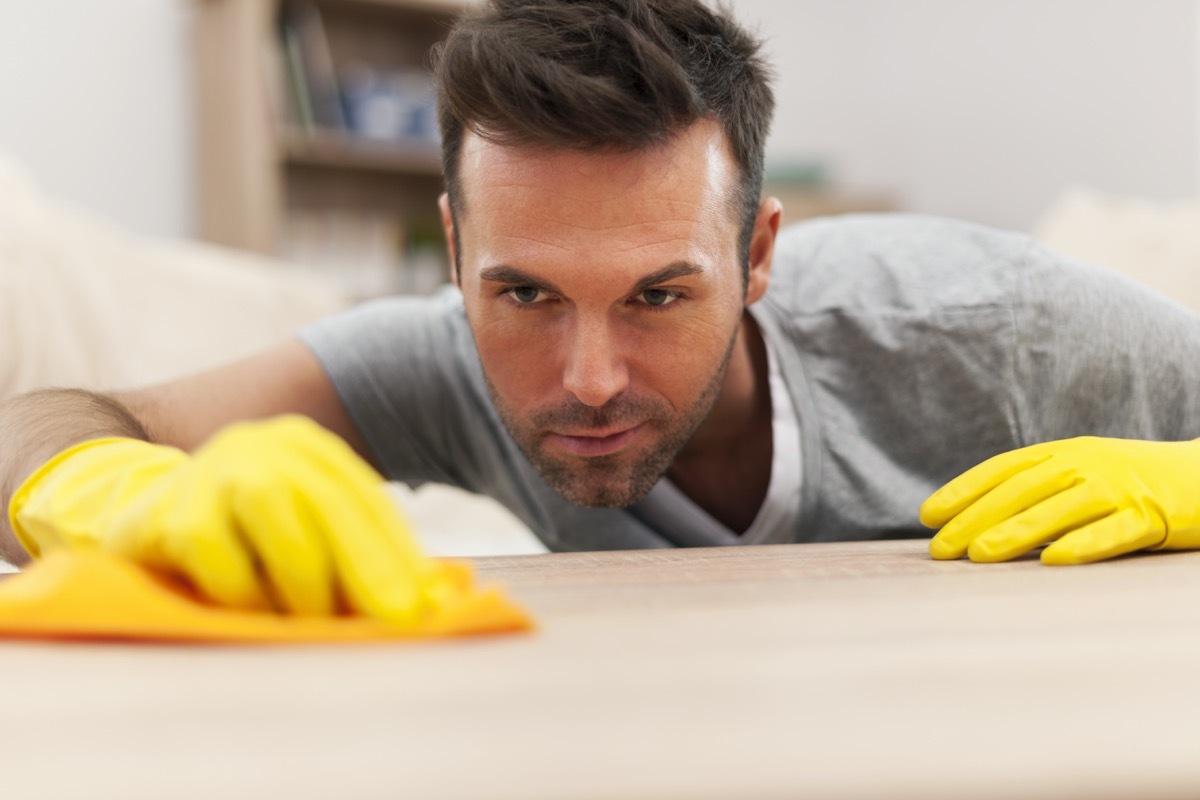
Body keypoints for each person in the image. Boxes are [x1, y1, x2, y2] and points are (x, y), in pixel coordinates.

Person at [5, 0, 1200, 622]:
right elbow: (51, 418)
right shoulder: (433, 364)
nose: (585, 378)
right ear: (457, 246)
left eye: (659, 294)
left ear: (759, 251)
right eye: (523, 291)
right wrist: (116, 491)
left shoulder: (1007, 327)